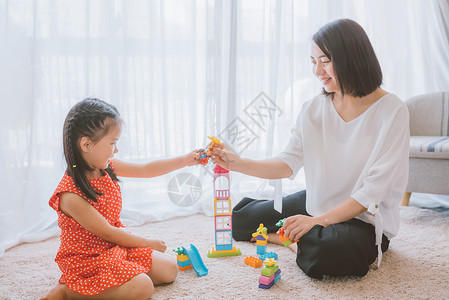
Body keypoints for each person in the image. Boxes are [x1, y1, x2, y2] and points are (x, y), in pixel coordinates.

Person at [211, 19, 409, 279]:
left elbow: (371, 193)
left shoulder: (392, 111)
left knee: (327, 255)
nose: (317, 71)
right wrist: (237, 163)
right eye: (313, 61)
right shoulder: (313, 108)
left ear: (352, 58)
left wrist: (316, 222)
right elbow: (287, 162)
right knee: (237, 221)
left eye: (325, 61)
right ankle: (296, 236)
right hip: (317, 202)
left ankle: (292, 240)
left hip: (362, 220)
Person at [42, 98, 200, 299]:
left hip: (114, 247)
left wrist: (184, 160)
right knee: (143, 287)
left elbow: (146, 169)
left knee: (170, 268)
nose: (116, 149)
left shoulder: (107, 167)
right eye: (112, 142)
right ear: (86, 144)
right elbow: (108, 232)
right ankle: (68, 291)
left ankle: (122, 273)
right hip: (89, 259)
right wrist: (146, 242)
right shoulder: (70, 195)